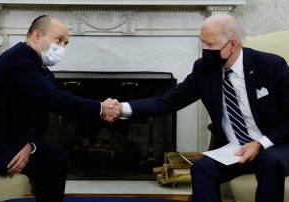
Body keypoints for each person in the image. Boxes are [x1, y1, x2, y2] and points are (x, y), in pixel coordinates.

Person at [0, 15, 120, 202]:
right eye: (59, 40)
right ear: (36, 36)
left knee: (55, 158)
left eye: (66, 43)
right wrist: (100, 108)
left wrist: (30, 145)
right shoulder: (17, 59)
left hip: (3, 142)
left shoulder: (44, 74)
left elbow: (41, 120)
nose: (62, 48)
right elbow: (56, 100)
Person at [109, 14, 289, 202]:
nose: (205, 50)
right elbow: (168, 101)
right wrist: (121, 108)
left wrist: (260, 143)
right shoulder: (205, 69)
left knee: (269, 162)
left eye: (210, 45)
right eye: (202, 43)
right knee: (202, 169)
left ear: (232, 44)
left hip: (276, 145)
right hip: (235, 150)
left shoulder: (271, 66)